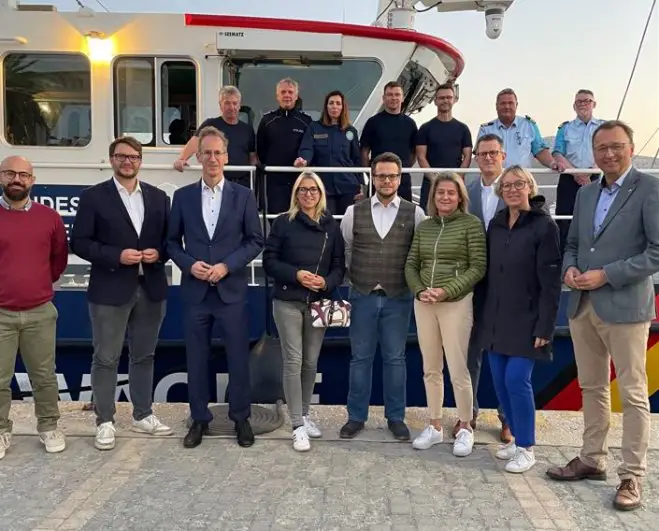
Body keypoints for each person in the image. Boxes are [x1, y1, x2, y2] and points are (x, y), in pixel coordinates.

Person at [546, 120, 659, 511]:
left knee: (632, 393)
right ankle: (593, 458)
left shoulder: (650, 189)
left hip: (626, 307)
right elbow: (574, 242)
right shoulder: (586, 194)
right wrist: (570, 270)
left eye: (616, 146)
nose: (609, 154)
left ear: (629, 148)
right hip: (583, 305)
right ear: (593, 153)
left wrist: (606, 275)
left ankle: (632, 475)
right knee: (592, 387)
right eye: (602, 148)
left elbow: (656, 252)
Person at [71, 136, 172, 450]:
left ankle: (143, 415)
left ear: (141, 160)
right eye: (121, 156)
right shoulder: (93, 197)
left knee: (144, 355)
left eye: (133, 156)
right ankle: (105, 421)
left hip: (151, 288)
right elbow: (80, 242)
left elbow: (170, 242)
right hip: (110, 289)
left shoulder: (158, 198)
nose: (127, 161)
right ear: (111, 159)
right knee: (105, 358)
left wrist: (159, 253)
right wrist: (116, 255)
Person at [167, 126, 264, 449]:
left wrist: (227, 266)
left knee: (238, 357)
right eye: (206, 152)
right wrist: (188, 264)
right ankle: (199, 419)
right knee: (196, 359)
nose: (212, 158)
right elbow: (170, 242)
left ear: (226, 156)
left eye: (217, 153)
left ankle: (241, 418)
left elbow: (255, 241)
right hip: (195, 292)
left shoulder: (243, 196)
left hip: (230, 291)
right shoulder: (182, 198)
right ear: (198, 157)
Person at [479, 166, 562, 473]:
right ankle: (514, 440)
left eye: (519, 184)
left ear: (530, 187)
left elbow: (551, 282)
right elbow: (488, 274)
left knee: (517, 380)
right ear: (501, 192)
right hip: (495, 317)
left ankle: (526, 447)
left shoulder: (544, 226)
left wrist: (545, 326)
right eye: (507, 186)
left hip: (527, 319)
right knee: (500, 383)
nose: (513, 189)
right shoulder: (497, 224)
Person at [339, 152, 426, 441]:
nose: (386, 180)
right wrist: (357, 279)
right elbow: (347, 249)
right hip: (362, 295)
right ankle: (356, 417)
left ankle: (396, 418)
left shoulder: (415, 213)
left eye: (391, 175)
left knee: (395, 359)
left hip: (398, 297)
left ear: (400, 179)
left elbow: (419, 254)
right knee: (359, 359)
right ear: (372, 177)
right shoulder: (355, 212)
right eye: (380, 175)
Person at [405, 172, 486, 457]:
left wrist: (446, 291)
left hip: (456, 303)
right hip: (424, 302)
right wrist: (419, 291)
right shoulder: (425, 227)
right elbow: (411, 263)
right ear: (433, 197)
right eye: (441, 193)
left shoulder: (471, 225)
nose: (445, 197)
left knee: (458, 367)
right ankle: (435, 425)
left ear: (460, 196)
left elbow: (477, 267)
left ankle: (465, 427)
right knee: (430, 367)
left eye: (451, 193)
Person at [262, 172, 345, 452]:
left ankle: (305, 413)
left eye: (313, 190)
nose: (308, 194)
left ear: (321, 194)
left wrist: (326, 282)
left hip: (318, 302)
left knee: (311, 362)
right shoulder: (283, 223)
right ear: (296, 193)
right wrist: (296, 274)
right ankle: (297, 425)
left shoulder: (331, 226)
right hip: (288, 300)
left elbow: (338, 266)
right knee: (293, 361)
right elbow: (269, 261)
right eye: (303, 189)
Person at [0, 156, 68, 459]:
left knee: (44, 376)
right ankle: (1, 430)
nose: (17, 179)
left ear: (32, 180)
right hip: (0, 313)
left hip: (40, 311)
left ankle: (49, 426)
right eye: (10, 173)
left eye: (23, 174)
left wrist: (36, 285)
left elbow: (58, 261)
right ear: (1, 177)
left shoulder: (50, 218)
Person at [465, 134, 511, 443]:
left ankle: (507, 418)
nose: (488, 158)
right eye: (483, 154)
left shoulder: (515, 189)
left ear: (503, 156)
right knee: (470, 352)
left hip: (508, 283)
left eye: (493, 153)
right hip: (473, 282)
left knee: (506, 351)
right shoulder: (466, 192)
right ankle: (468, 414)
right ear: (476, 158)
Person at [173, 86, 257, 189]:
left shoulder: (247, 129)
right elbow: (195, 142)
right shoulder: (210, 124)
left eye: (235, 103)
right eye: (227, 103)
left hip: (243, 183)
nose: (232, 107)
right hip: (219, 183)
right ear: (220, 105)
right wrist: (182, 159)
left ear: (239, 106)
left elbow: (252, 156)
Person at [294, 90, 363, 216]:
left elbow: (356, 159)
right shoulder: (314, 127)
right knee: (326, 223)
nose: (334, 106)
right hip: (323, 186)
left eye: (338, 103)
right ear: (326, 106)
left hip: (348, 186)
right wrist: (303, 160)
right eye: (331, 103)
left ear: (343, 107)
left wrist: (361, 186)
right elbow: (307, 149)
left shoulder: (350, 131)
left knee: (346, 224)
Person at [552, 89, 604, 251]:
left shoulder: (604, 127)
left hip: (597, 177)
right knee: (565, 218)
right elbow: (557, 152)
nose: (583, 104)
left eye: (587, 100)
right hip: (569, 177)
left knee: (597, 216)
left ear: (594, 104)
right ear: (574, 106)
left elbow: (607, 150)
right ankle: (565, 255)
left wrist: (590, 172)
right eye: (579, 101)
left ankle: (595, 252)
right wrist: (576, 173)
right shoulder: (565, 128)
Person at [257, 78, 312, 214]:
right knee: (276, 219)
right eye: (283, 92)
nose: (287, 95)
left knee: (300, 219)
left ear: (296, 96)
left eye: (290, 92)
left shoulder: (306, 121)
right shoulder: (267, 121)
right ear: (277, 96)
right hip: (274, 181)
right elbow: (261, 150)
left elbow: (309, 148)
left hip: (299, 181)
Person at [416, 84, 472, 212]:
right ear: (435, 101)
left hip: (456, 184)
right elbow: (421, 156)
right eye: (441, 98)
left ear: (454, 100)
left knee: (457, 219)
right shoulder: (425, 128)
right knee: (428, 218)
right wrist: (434, 178)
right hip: (430, 183)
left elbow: (467, 156)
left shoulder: (463, 129)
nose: (445, 101)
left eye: (448, 97)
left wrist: (456, 178)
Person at [360, 81, 418, 201]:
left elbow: (414, 153)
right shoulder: (373, 122)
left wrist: (401, 169)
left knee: (404, 216)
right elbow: (364, 151)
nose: (393, 98)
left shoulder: (410, 124)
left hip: (403, 179)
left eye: (397, 95)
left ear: (402, 98)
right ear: (384, 98)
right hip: (379, 180)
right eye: (390, 95)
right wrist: (371, 173)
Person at [477, 88, 559, 170]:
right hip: (495, 179)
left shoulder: (528, 126)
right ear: (496, 106)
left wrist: (552, 163)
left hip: (521, 179)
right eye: (503, 103)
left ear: (516, 105)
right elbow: (479, 156)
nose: (507, 106)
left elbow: (540, 151)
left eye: (510, 103)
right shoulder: (486, 130)